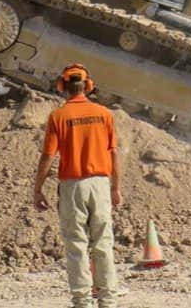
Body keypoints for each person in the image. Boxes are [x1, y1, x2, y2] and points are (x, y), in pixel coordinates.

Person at [33, 64, 122, 308]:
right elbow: (114, 154)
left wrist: (38, 189)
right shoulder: (104, 114)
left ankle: (82, 302)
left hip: (72, 187)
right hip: (100, 184)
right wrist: (115, 188)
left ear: (63, 86)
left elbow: (48, 156)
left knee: (76, 245)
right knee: (103, 243)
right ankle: (108, 301)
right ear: (89, 86)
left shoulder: (58, 116)